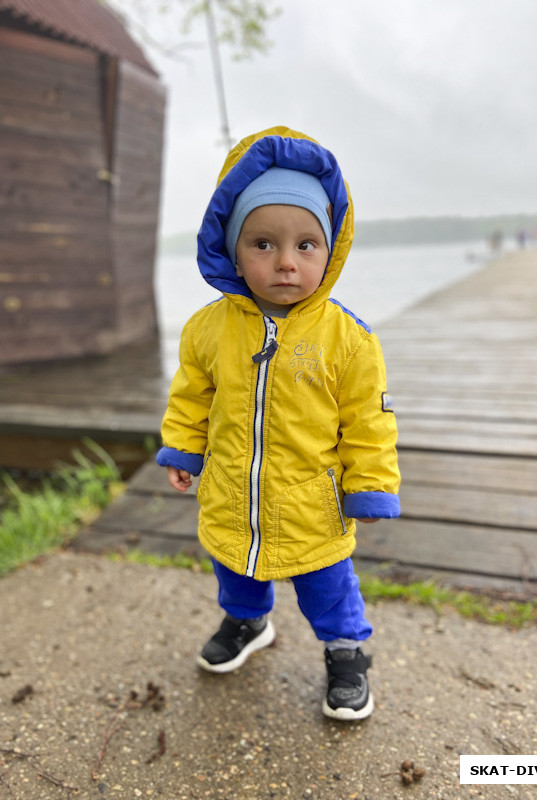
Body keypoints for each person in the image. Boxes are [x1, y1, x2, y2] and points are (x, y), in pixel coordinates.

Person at [156, 126, 401, 721]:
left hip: (311, 505)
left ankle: (346, 653)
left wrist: (370, 482)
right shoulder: (207, 330)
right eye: (263, 244)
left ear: (331, 249)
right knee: (234, 566)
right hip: (232, 496)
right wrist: (184, 450)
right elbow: (192, 397)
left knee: (329, 588)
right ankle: (247, 621)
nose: (286, 262)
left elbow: (368, 421)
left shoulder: (350, 340)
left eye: (306, 245)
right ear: (232, 248)